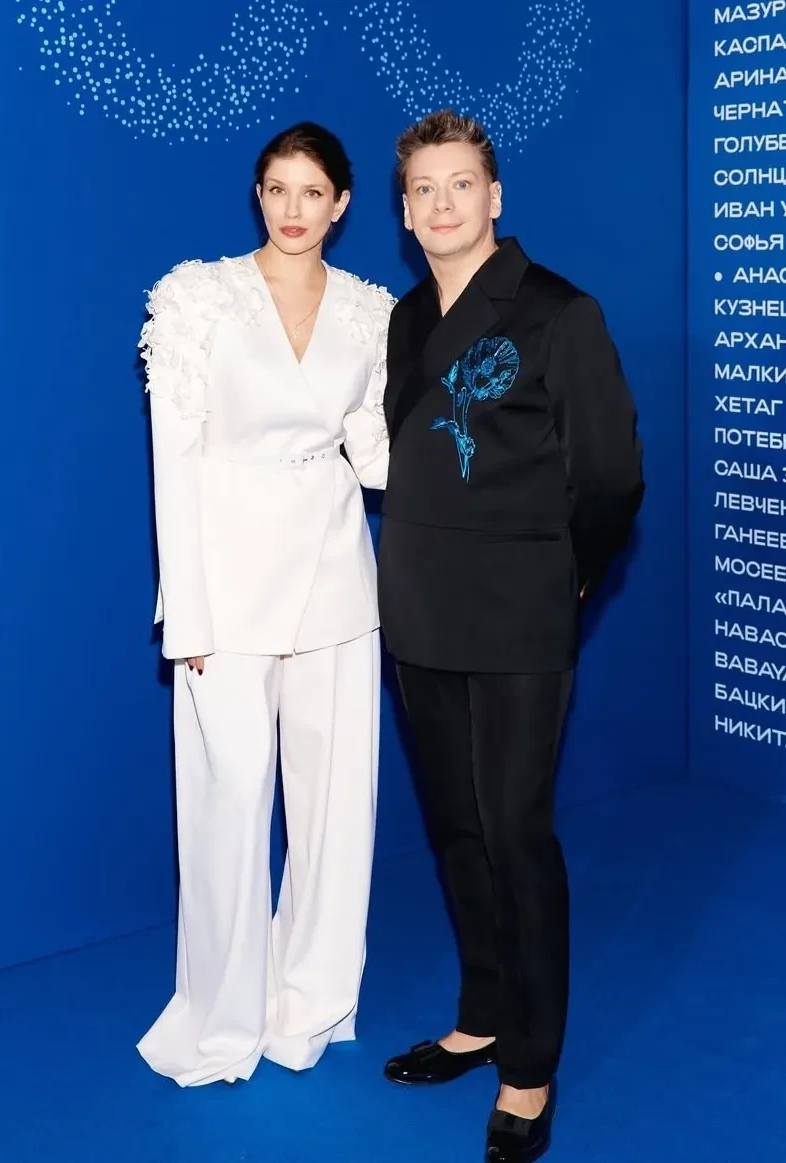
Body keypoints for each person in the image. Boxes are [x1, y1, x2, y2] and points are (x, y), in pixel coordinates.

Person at [377, 110, 644, 1161]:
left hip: (519, 615)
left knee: (515, 834)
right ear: (404, 213)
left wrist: (563, 574)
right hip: (419, 607)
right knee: (454, 827)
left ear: (494, 198)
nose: (441, 203)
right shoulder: (407, 318)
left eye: (459, 184)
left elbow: (610, 475)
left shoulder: (556, 310)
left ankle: (528, 1065)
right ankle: (482, 1015)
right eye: (423, 189)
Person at [135, 122, 395, 1087]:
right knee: (229, 798)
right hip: (226, 584)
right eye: (278, 189)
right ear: (258, 194)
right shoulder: (195, 298)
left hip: (335, 579)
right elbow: (174, 461)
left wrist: (483, 458)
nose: (293, 209)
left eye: (312, 192)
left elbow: (376, 453)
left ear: (342, 204)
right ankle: (222, 1016)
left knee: (334, 809)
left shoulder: (370, 312)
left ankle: (311, 1004)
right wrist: (188, 616)